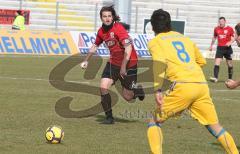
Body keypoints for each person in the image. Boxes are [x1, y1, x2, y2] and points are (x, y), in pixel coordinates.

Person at [147, 9, 238, 154]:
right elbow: (201, 61)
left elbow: (158, 64)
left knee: (154, 121)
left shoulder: (155, 42)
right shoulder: (185, 39)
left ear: (152, 27)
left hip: (182, 86)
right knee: (215, 127)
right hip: (201, 85)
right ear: (170, 24)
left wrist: (158, 89)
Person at [80, 5, 145, 124]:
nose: (107, 18)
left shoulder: (118, 29)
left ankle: (137, 90)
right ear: (101, 18)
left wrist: (123, 66)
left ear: (113, 17)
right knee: (103, 87)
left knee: (128, 97)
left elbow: (128, 48)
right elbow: (95, 46)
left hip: (129, 63)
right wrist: (86, 60)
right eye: (104, 16)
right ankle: (109, 118)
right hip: (113, 63)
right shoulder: (101, 31)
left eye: (109, 16)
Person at [209, 17, 235, 83]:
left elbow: (234, 37)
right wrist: (211, 45)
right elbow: (214, 37)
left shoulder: (230, 29)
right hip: (220, 48)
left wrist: (230, 42)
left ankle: (230, 79)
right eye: (220, 22)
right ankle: (215, 78)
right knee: (217, 62)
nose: (221, 23)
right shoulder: (216, 29)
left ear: (225, 21)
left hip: (228, 49)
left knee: (229, 64)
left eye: (222, 22)